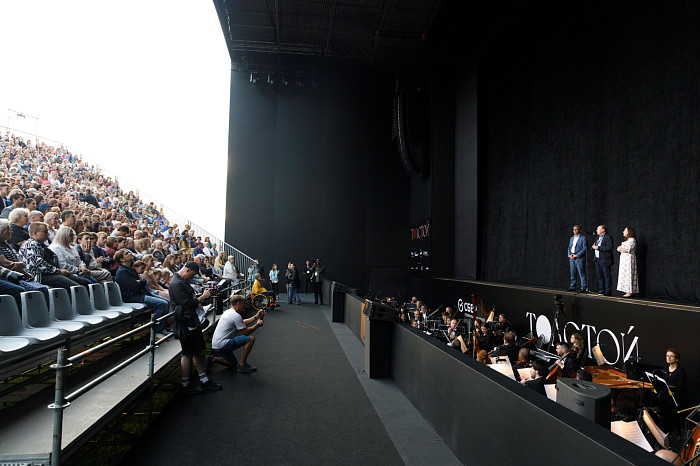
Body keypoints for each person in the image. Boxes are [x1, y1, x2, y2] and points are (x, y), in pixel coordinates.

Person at [169, 261, 222, 393]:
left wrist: (200, 296)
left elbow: (188, 301)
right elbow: (187, 304)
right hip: (187, 323)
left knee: (195, 352)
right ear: (187, 271)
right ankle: (187, 384)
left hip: (190, 322)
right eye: (192, 275)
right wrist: (203, 296)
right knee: (188, 353)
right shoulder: (177, 284)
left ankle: (202, 381)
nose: (192, 278)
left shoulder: (180, 282)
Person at [114, 249, 170, 335]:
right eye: (126, 253)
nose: (130, 253)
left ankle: (163, 327)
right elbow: (135, 286)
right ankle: (157, 331)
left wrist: (140, 281)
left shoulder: (131, 269)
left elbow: (142, 282)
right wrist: (140, 281)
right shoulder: (122, 272)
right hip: (132, 297)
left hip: (140, 294)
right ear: (122, 259)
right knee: (162, 304)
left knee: (167, 301)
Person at [18, 222, 84, 291]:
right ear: (35, 233)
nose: (48, 234)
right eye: (45, 232)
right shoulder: (31, 245)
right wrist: (58, 271)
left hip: (51, 273)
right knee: (76, 287)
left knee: (85, 282)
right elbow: (39, 264)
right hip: (39, 276)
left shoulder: (41, 245)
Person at [211, 294, 264, 373]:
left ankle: (213, 359)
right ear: (239, 304)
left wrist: (256, 317)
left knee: (233, 363)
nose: (245, 305)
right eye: (244, 303)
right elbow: (246, 332)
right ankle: (242, 364)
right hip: (222, 344)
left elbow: (241, 323)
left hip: (216, 345)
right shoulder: (235, 316)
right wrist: (257, 325)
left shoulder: (228, 312)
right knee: (250, 339)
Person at [658, 348, 687, 433]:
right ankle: (663, 430)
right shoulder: (665, 369)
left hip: (676, 398)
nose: (668, 358)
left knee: (669, 410)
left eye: (671, 356)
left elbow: (680, 388)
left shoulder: (680, 372)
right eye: (667, 356)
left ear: (677, 359)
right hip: (667, 397)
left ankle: (671, 431)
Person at [592, 224, 614, 296]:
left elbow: (609, 247)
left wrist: (598, 247)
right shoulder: (598, 237)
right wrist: (594, 247)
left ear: (603, 230)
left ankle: (608, 290)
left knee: (606, 275)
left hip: (605, 260)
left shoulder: (608, 237)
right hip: (597, 259)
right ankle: (601, 290)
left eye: (598, 229)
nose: (596, 230)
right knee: (599, 275)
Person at [616, 226, 638, 297]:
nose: (623, 232)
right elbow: (619, 248)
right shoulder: (628, 241)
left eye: (625, 230)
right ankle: (628, 291)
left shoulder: (632, 240)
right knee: (625, 275)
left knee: (629, 274)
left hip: (628, 261)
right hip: (625, 261)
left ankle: (630, 291)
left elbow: (626, 249)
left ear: (629, 232)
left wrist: (620, 248)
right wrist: (620, 248)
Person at [567, 225, 587, 292]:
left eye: (576, 229)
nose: (574, 231)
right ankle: (572, 287)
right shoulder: (571, 238)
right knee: (573, 273)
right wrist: (569, 255)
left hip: (579, 258)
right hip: (572, 258)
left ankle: (583, 287)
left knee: (581, 273)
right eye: (574, 229)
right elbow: (569, 247)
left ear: (580, 230)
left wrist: (577, 255)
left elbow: (584, 248)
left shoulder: (583, 238)